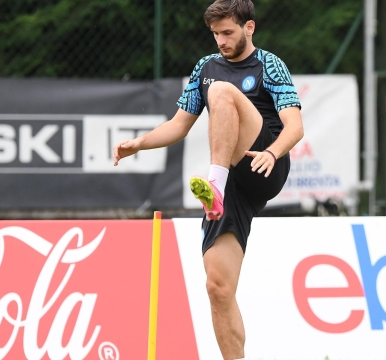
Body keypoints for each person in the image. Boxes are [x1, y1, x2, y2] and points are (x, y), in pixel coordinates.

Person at [113, 0, 303, 358]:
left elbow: (295, 125)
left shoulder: (270, 65)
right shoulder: (205, 66)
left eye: (227, 32)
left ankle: (213, 185)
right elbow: (179, 125)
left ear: (249, 28)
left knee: (220, 92)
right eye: (215, 34)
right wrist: (138, 143)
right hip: (234, 183)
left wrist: (273, 152)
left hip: (264, 162)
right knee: (217, 286)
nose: (221, 41)